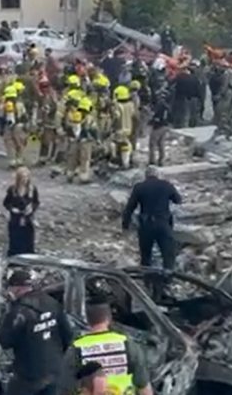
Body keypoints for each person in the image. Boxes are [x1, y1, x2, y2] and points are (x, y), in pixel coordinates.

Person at [0, 269, 73, 395]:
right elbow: (68, 335)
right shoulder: (52, 303)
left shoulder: (18, 311)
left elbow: (5, 341)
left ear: (16, 288)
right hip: (54, 371)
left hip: (29, 374)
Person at [61, 295, 153, 395]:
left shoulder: (77, 348)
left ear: (87, 320)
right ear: (109, 318)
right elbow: (143, 386)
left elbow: (66, 389)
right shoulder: (126, 343)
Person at [122, 166, 182, 296]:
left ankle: (147, 282)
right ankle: (167, 281)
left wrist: (125, 225)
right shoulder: (166, 185)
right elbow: (178, 200)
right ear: (158, 175)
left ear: (146, 176)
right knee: (168, 254)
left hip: (146, 225)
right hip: (163, 224)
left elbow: (129, 207)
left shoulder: (139, 187)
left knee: (146, 255)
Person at [3, 167, 40, 255]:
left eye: (27, 177)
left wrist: (32, 208)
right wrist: (12, 209)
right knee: (15, 239)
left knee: (28, 240)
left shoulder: (32, 189)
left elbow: (36, 202)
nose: (25, 179)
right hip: (15, 219)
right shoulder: (12, 190)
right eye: (23, 177)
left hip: (27, 219)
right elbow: (6, 203)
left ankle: (28, 256)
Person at [148, 86, 172, 167]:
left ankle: (152, 161)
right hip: (165, 126)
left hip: (158, 127)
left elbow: (156, 117)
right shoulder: (167, 106)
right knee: (161, 144)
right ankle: (161, 160)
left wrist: (151, 121)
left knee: (152, 144)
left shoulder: (160, 105)